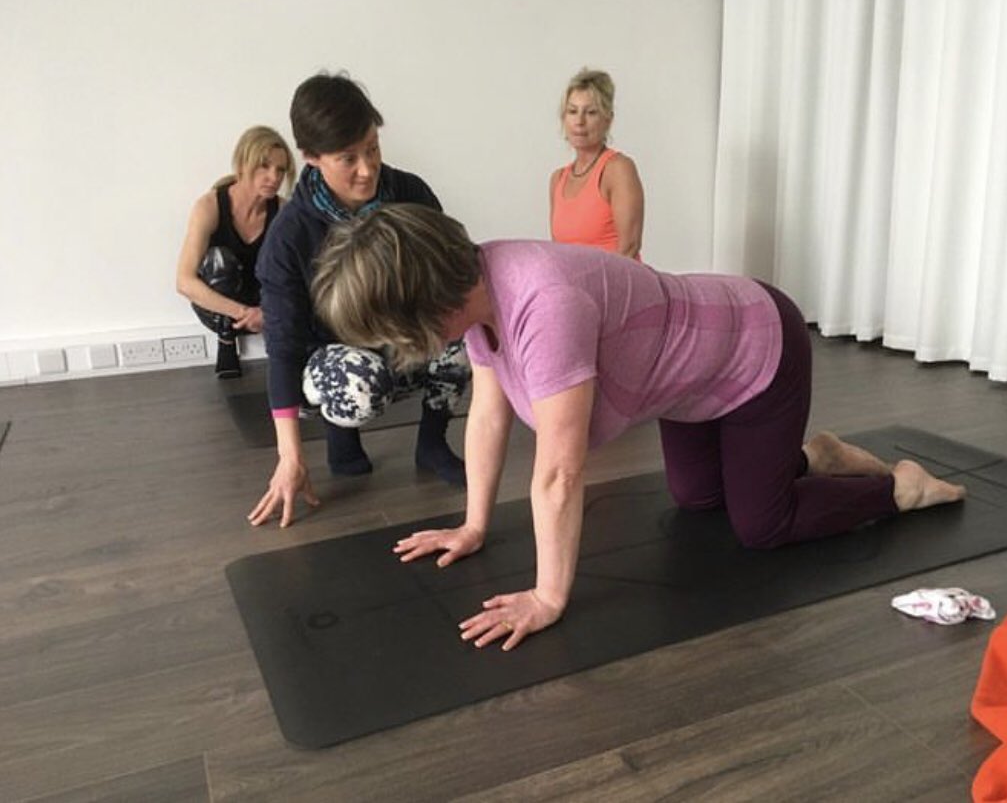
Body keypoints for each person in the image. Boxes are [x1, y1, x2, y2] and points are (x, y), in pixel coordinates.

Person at [310, 204, 968, 652]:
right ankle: (808, 455)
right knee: (698, 500)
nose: (403, 346)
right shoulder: (474, 291)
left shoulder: (543, 304)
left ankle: (900, 490)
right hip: (692, 386)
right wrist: (474, 525)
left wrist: (548, 595)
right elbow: (487, 410)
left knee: (761, 526)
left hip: (760, 347)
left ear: (429, 299)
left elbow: (561, 472)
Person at [248, 73, 469, 530]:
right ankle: (340, 435)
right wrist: (290, 457)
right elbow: (284, 349)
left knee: (467, 333)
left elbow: (452, 274)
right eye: (348, 158)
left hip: (398, 334)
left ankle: (431, 444)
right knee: (357, 384)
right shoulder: (288, 237)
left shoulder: (411, 193)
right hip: (331, 357)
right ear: (311, 159)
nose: (367, 169)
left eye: (372, 148)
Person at [176, 126, 295, 378]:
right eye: (264, 166)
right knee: (220, 259)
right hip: (221, 309)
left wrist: (269, 312)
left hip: (264, 306)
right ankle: (226, 339)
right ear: (242, 164)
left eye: (280, 170)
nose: (273, 177)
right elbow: (184, 282)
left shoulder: (283, 211)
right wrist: (244, 314)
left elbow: (294, 277)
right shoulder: (209, 206)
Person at [549, 68, 644, 259]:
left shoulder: (618, 169)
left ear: (608, 119)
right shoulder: (557, 179)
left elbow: (629, 247)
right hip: (575, 287)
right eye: (572, 111)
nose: (579, 121)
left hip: (618, 284)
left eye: (591, 112)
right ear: (564, 118)